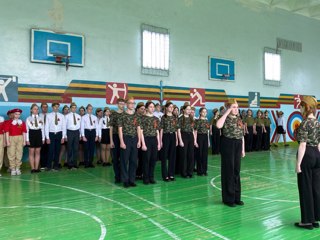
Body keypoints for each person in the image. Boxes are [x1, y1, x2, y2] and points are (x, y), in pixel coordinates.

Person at [294, 96, 320, 230]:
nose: (300, 108)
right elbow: (319, 143)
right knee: (316, 188)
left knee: (305, 188)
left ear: (306, 107)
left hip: (307, 155)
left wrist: (298, 163)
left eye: (301, 106)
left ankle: (306, 221)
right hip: (317, 155)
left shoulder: (304, 123)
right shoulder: (317, 122)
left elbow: (303, 145)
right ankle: (315, 218)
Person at [216, 99, 245, 207]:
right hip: (227, 143)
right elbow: (218, 125)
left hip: (238, 144)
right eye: (233, 107)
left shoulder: (239, 118)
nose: (236, 109)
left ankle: (237, 197)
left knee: (236, 171)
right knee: (229, 171)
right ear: (229, 108)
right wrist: (226, 112)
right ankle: (228, 199)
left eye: (237, 107)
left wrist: (243, 149)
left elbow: (242, 134)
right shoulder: (225, 118)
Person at [118, 97, 141, 188]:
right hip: (126, 138)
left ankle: (132, 179)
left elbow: (138, 128)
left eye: (133, 103)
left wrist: (139, 140)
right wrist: (122, 142)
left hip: (134, 139)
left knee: (133, 160)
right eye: (130, 103)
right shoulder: (122, 115)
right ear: (126, 104)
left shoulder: (136, 116)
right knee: (124, 160)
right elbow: (120, 130)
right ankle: (125, 180)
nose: (132, 105)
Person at [140, 101, 160, 184]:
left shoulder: (156, 118)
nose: (152, 108)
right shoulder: (143, 118)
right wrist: (143, 143)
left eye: (153, 107)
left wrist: (159, 143)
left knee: (153, 159)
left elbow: (157, 131)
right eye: (150, 107)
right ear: (147, 108)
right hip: (146, 139)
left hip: (154, 139)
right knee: (146, 159)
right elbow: (141, 131)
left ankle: (151, 177)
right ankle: (145, 177)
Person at [4, 108, 27, 176]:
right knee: (11, 153)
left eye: (19, 114)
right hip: (11, 138)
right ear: (13, 114)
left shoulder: (22, 122)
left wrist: (24, 141)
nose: (17, 115)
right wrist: (7, 141)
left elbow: (24, 132)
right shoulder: (8, 122)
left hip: (20, 138)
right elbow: (7, 132)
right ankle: (12, 168)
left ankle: (18, 168)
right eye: (16, 114)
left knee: (19, 153)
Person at [177, 103, 197, 178]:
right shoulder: (180, 118)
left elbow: (193, 130)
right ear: (183, 110)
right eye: (187, 109)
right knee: (184, 155)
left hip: (190, 136)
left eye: (190, 109)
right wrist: (180, 140)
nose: (189, 111)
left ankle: (190, 171)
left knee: (191, 155)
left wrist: (194, 140)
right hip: (183, 135)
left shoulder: (192, 118)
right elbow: (178, 130)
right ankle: (184, 172)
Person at [45, 102, 66, 171]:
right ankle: (48, 166)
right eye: (55, 107)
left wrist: (63, 137)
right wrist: (47, 137)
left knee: (57, 150)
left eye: (58, 107)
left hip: (59, 134)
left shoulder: (62, 116)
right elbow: (46, 127)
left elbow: (63, 127)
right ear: (52, 107)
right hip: (51, 134)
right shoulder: (48, 115)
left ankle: (56, 165)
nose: (56, 108)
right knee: (51, 150)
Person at [160, 101, 178, 181]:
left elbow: (176, 129)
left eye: (172, 107)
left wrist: (177, 139)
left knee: (172, 156)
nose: (171, 108)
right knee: (164, 156)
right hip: (165, 136)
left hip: (173, 136)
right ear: (166, 108)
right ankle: (165, 175)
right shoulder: (164, 117)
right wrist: (160, 141)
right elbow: (161, 130)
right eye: (170, 107)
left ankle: (171, 174)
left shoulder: (174, 117)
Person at [109, 98, 125, 183]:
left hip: (124, 137)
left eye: (123, 104)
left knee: (124, 158)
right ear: (117, 104)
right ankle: (117, 176)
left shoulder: (126, 114)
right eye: (120, 104)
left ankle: (123, 175)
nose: (122, 105)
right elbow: (111, 128)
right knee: (115, 158)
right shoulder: (113, 114)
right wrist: (111, 141)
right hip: (115, 137)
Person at [26, 104, 45, 173]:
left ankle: (37, 168)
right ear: (31, 110)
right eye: (34, 109)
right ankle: (32, 168)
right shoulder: (28, 118)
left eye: (37, 109)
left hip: (38, 134)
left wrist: (43, 138)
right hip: (31, 134)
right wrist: (27, 139)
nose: (36, 110)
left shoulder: (40, 118)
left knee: (37, 152)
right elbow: (27, 130)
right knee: (31, 152)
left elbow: (42, 129)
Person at [81, 104, 99, 168]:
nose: (90, 110)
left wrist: (97, 135)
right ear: (86, 109)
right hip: (86, 132)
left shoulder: (95, 117)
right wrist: (83, 136)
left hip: (93, 132)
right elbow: (82, 127)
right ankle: (86, 163)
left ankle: (90, 162)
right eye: (89, 109)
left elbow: (97, 127)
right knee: (86, 148)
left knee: (92, 148)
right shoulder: (83, 117)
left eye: (91, 109)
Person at [195, 107, 210, 176]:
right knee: (199, 154)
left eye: (205, 112)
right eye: (203, 112)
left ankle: (204, 170)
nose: (204, 113)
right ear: (200, 112)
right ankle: (199, 171)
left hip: (205, 137)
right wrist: (195, 141)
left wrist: (208, 141)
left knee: (205, 154)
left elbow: (208, 131)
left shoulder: (207, 121)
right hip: (199, 137)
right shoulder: (197, 121)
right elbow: (195, 131)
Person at [65, 102, 81, 169]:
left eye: (75, 108)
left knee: (76, 148)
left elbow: (80, 126)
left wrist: (80, 134)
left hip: (76, 132)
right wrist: (65, 135)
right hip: (69, 132)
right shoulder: (67, 116)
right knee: (69, 148)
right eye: (72, 108)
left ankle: (75, 163)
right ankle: (69, 163)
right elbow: (64, 126)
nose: (74, 109)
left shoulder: (78, 116)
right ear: (70, 108)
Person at [135, 102, 146, 180]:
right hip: (135, 139)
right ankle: (135, 173)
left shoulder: (144, 117)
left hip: (143, 139)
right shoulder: (134, 117)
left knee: (142, 157)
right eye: (141, 109)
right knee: (135, 158)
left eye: (144, 109)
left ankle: (140, 172)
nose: (143, 110)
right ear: (137, 109)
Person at [39, 102, 49, 170]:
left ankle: (48, 164)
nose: (45, 108)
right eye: (43, 107)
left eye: (46, 107)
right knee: (42, 150)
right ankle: (42, 165)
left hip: (48, 135)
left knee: (49, 150)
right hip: (41, 135)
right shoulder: (38, 115)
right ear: (41, 108)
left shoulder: (50, 115)